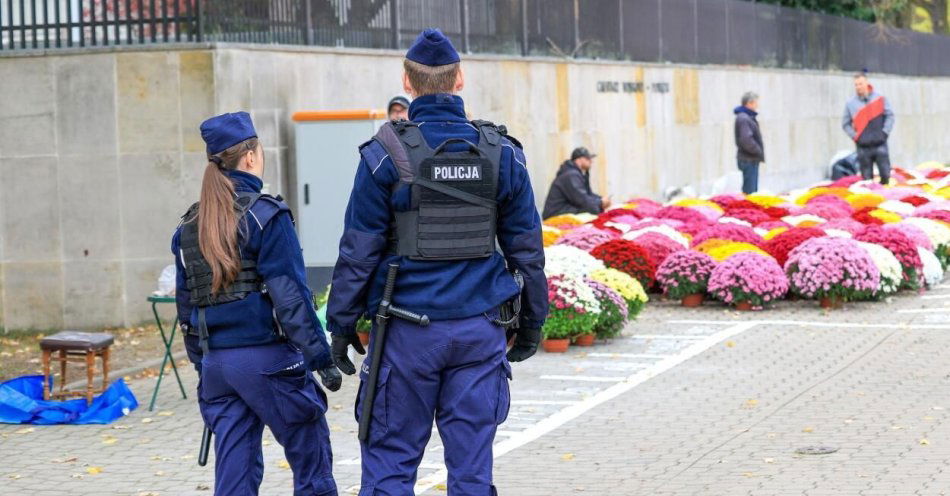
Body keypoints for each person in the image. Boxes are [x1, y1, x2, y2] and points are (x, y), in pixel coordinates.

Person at [326, 29, 548, 495]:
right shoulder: (502, 154)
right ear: (460, 80)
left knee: (390, 466)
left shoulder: (384, 154)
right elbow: (527, 251)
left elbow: (357, 252)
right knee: (471, 472)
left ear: (407, 83)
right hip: (478, 332)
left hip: (406, 335)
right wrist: (531, 324)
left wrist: (342, 325)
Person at [172, 112, 341, 496]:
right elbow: (292, 299)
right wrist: (321, 358)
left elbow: (186, 309)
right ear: (250, 157)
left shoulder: (187, 227)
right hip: (267, 361)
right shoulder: (266, 216)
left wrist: (204, 364)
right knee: (311, 458)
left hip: (218, 366)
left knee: (235, 474)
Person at [842, 73, 895, 185]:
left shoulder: (880, 99)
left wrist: (885, 132)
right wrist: (855, 137)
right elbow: (845, 124)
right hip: (863, 147)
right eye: (856, 85)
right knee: (867, 180)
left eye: (860, 84)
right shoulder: (850, 104)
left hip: (880, 143)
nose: (858, 87)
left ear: (866, 83)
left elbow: (890, 115)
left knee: (886, 175)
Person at [541, 146, 610, 219]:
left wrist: (601, 199)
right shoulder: (571, 175)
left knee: (592, 208)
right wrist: (600, 202)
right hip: (555, 214)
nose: (591, 161)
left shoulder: (574, 173)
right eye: (587, 158)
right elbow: (582, 199)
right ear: (579, 159)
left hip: (562, 210)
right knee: (591, 209)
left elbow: (587, 194)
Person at [734, 92, 764, 195]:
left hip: (749, 158)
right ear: (749, 103)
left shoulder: (746, 117)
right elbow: (746, 139)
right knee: (750, 192)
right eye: (756, 103)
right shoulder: (744, 118)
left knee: (751, 190)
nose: (757, 106)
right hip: (749, 159)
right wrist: (757, 150)